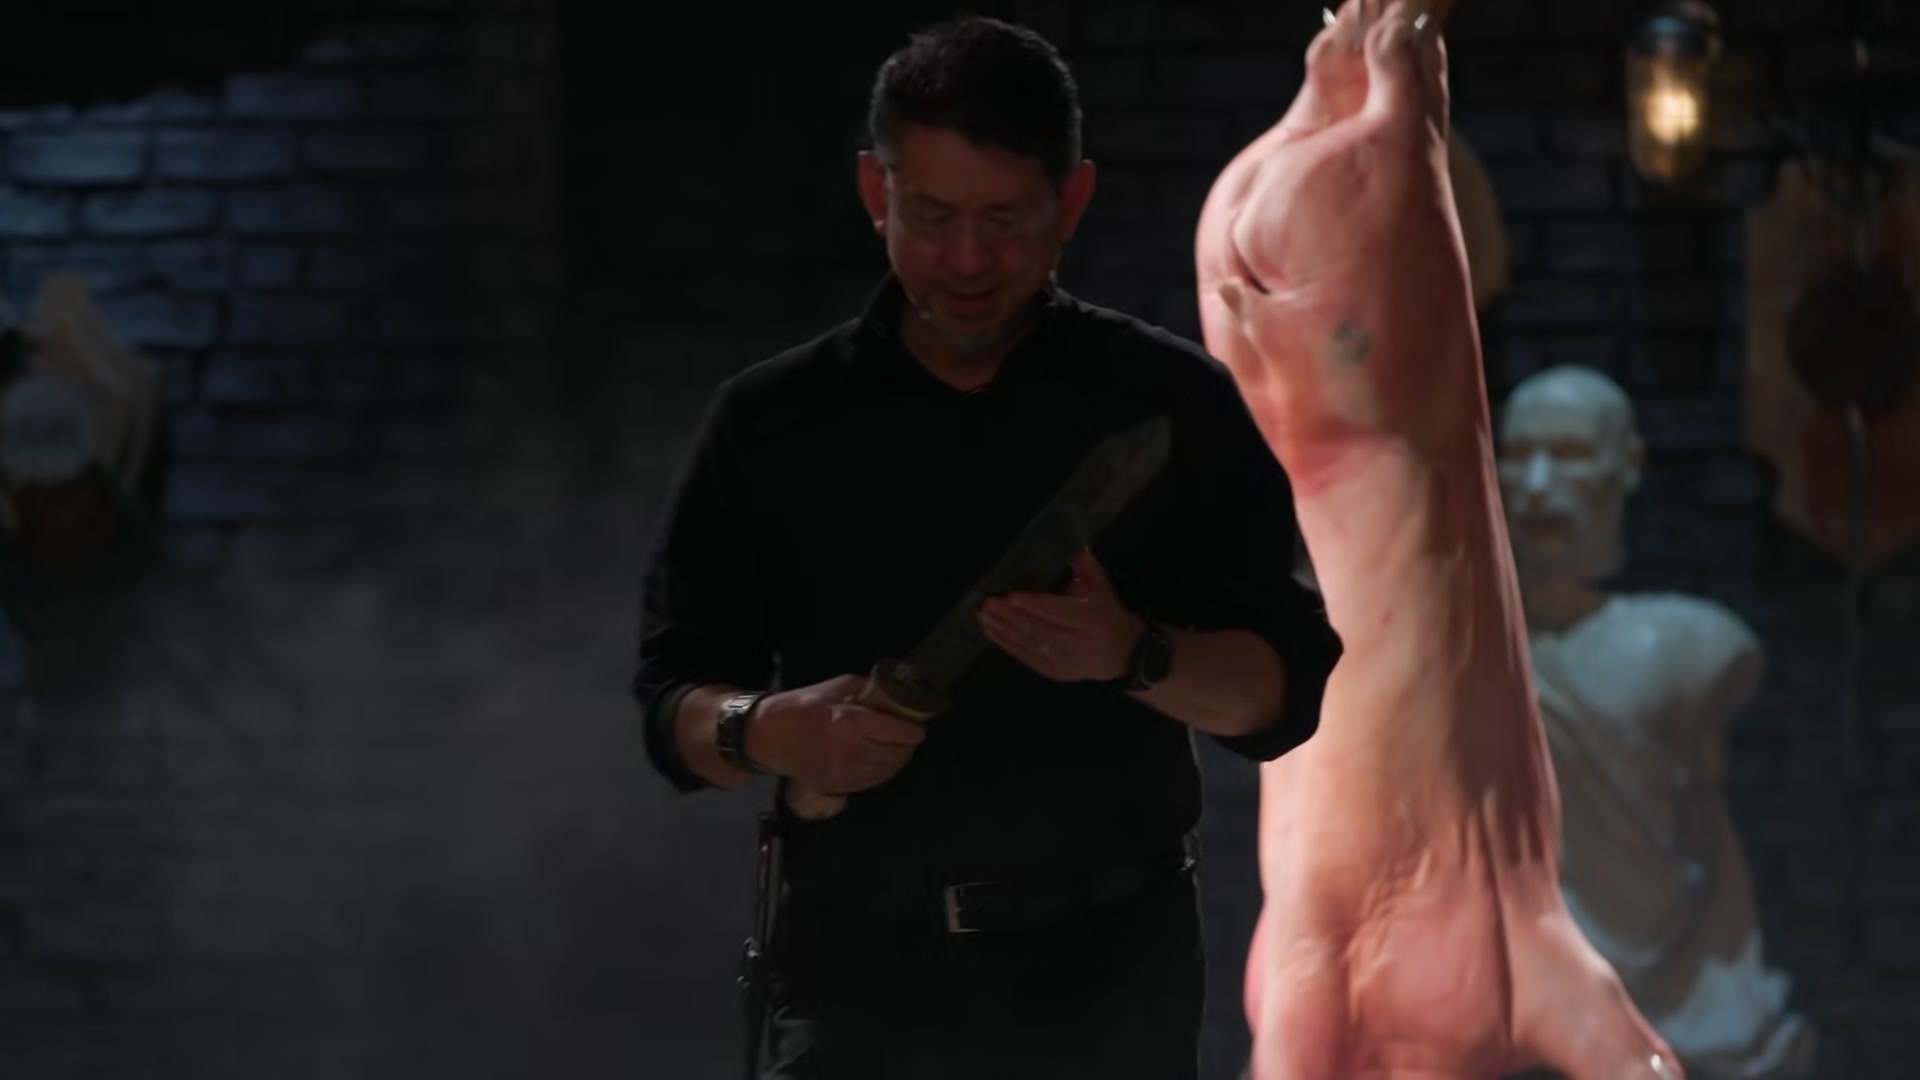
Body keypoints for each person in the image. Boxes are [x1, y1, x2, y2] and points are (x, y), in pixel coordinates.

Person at [632, 16, 1342, 1080]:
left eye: (1006, 221)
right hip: (854, 985)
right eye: (933, 217)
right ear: (876, 193)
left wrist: (1134, 654)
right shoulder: (771, 422)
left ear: (1072, 202)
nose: (968, 260)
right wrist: (766, 730)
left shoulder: (1169, 403)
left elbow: (1282, 699)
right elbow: (671, 706)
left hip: (1108, 987)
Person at [1495, 364, 1815, 1079]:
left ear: (1628, 464)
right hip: (1515, 1002)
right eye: (1519, 455)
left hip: (1682, 1004)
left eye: (1572, 455)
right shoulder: (1463, 651)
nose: (1539, 484)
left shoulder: (1694, 646)